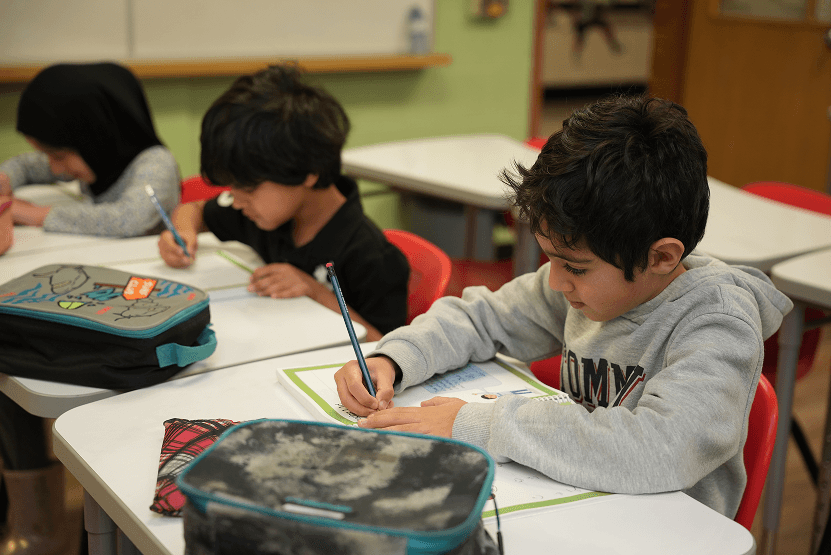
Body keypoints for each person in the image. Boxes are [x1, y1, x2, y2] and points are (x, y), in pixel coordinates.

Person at [334, 95, 793, 519]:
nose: (555, 282)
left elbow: (664, 448)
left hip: (663, 529)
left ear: (662, 257)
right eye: (551, 259)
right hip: (579, 504)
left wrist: (476, 423)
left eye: (573, 266)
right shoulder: (594, 281)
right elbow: (482, 318)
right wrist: (393, 358)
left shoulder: (718, 323)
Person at [158, 64, 409, 341]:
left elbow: (388, 350)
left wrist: (315, 291)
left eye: (249, 187)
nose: (238, 201)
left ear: (307, 170)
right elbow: (194, 209)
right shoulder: (262, 213)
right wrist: (183, 232)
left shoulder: (372, 256)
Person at [0, 62, 180, 237]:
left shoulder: (157, 163)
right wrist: (4, 179)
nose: (54, 168)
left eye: (58, 156)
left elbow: (130, 219)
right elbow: (25, 166)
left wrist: (36, 214)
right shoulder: (95, 160)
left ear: (96, 139)